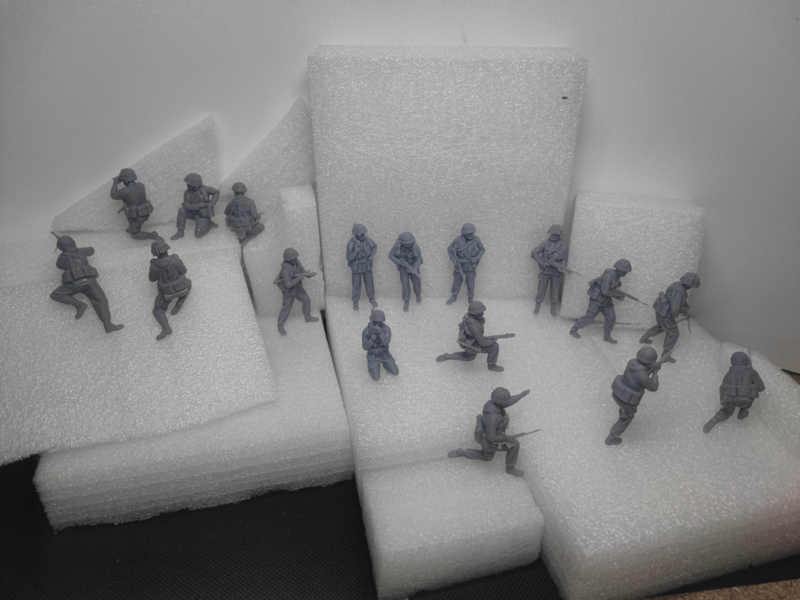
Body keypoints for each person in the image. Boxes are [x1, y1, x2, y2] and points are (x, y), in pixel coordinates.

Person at [447, 388, 531, 477]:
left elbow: (507, 402)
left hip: (488, 435)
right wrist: (507, 438)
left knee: (487, 457)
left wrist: (520, 396)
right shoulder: (493, 417)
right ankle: (510, 468)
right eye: (505, 400)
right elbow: (492, 437)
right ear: (500, 401)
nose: (507, 402)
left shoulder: (491, 404)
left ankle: (463, 452)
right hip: (490, 441)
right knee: (514, 444)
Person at [50, 235, 124, 334]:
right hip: (90, 282)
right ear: (74, 243)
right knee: (101, 300)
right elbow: (91, 250)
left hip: (73, 285)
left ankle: (78, 304)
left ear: (60, 248)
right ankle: (107, 323)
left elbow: (59, 265)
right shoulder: (82, 251)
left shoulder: (61, 258)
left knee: (55, 294)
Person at [435, 300, 514, 372]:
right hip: (471, 345)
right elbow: (482, 343)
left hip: (472, 340)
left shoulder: (469, 317)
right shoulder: (474, 326)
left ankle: (447, 356)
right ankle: (491, 366)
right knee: (494, 347)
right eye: (480, 313)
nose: (483, 314)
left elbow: (479, 337)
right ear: (475, 314)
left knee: (469, 357)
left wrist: (489, 338)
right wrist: (493, 341)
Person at [605, 347, 662, 445]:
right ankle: (611, 438)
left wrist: (651, 368)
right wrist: (655, 373)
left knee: (623, 409)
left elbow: (640, 371)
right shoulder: (643, 376)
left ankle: (622, 412)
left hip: (617, 393)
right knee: (626, 419)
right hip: (627, 401)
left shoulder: (632, 362)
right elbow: (654, 387)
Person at [639, 272, 700, 362]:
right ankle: (665, 356)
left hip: (660, 311)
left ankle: (644, 338)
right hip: (666, 315)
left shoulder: (676, 284)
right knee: (673, 333)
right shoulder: (680, 291)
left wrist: (684, 309)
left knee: (660, 327)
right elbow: (675, 308)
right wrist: (674, 316)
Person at [569, 259, 632, 344]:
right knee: (589, 317)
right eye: (625, 272)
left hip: (606, 301)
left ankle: (607, 336)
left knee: (611, 317)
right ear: (621, 270)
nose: (626, 273)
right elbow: (604, 291)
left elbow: (613, 287)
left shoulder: (616, 277)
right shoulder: (608, 276)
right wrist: (616, 295)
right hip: (597, 300)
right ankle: (574, 329)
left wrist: (617, 288)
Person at [703, 352, 765, 433]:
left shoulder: (728, 374)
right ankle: (743, 410)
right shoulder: (751, 372)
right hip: (745, 401)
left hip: (729, 400)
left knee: (725, 412)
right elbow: (761, 388)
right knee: (752, 392)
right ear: (747, 361)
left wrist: (722, 401)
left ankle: (714, 419)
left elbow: (722, 389)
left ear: (732, 361)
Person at [149, 239, 191, 340]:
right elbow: (184, 271)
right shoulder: (175, 259)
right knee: (189, 283)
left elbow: (152, 279)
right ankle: (181, 301)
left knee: (157, 311)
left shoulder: (155, 266)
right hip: (182, 287)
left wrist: (152, 267)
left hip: (167, 293)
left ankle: (166, 328)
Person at [273, 247, 319, 335]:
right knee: (286, 308)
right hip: (289, 292)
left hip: (298, 288)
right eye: (293, 258)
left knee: (306, 300)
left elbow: (302, 271)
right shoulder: (285, 269)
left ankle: (307, 317)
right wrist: (298, 279)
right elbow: (288, 284)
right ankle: (280, 324)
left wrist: (308, 274)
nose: (296, 259)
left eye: (295, 257)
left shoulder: (296, 262)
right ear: (289, 260)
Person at [109, 168, 161, 240]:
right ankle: (132, 227)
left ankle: (152, 235)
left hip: (137, 217)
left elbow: (113, 196)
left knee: (134, 235)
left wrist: (115, 184)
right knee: (127, 209)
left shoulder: (125, 191)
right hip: (145, 213)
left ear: (125, 181)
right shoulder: (141, 185)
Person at [530, 224, 568, 316]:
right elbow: (534, 253)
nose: (553, 236)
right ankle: (537, 307)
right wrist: (541, 262)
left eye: (555, 234)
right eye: (552, 234)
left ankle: (553, 309)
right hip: (545, 271)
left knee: (555, 290)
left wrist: (562, 266)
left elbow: (564, 258)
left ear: (559, 235)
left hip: (556, 272)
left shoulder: (563, 246)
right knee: (541, 290)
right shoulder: (546, 244)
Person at [171, 173, 220, 239]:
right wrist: (198, 206)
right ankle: (180, 231)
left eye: (189, 183)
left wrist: (212, 203)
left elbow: (216, 192)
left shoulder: (205, 189)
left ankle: (210, 225)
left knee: (198, 235)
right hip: (192, 213)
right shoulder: (187, 192)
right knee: (181, 210)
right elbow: (186, 205)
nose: (187, 185)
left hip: (203, 215)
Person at [446, 223, 485, 305]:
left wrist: (477, 258)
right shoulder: (458, 240)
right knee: (457, 281)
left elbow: (482, 249)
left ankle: (470, 297)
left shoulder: (476, 240)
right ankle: (454, 296)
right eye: (468, 233)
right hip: (460, 265)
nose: (471, 235)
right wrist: (455, 259)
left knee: (470, 283)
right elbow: (449, 249)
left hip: (470, 265)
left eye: (472, 233)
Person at [387, 231, 423, 312]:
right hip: (403, 269)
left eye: (409, 243)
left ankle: (418, 294)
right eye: (406, 243)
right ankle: (406, 301)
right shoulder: (397, 246)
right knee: (405, 285)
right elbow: (390, 255)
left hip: (413, 267)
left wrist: (414, 268)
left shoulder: (415, 247)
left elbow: (419, 259)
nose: (408, 245)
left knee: (417, 282)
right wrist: (399, 262)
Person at [346, 224, 377, 311]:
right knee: (356, 285)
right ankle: (355, 301)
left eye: (363, 233)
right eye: (361, 234)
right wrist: (355, 252)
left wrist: (371, 256)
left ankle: (371, 298)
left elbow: (374, 246)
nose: (363, 235)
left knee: (369, 283)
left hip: (366, 265)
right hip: (357, 267)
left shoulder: (367, 240)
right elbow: (349, 258)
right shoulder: (351, 244)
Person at [362, 310, 398, 381]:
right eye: (375, 322)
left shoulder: (386, 329)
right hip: (373, 356)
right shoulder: (366, 331)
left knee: (395, 372)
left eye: (380, 323)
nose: (377, 325)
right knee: (376, 377)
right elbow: (365, 347)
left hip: (385, 354)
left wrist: (381, 334)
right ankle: (372, 368)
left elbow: (386, 343)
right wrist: (371, 340)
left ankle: (386, 365)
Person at [224, 182, 264, 246]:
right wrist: (258, 216)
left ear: (234, 192)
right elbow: (254, 216)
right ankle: (247, 237)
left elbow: (226, 212)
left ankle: (242, 238)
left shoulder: (231, 203)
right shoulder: (250, 202)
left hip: (235, 226)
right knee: (261, 227)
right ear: (244, 192)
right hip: (248, 226)